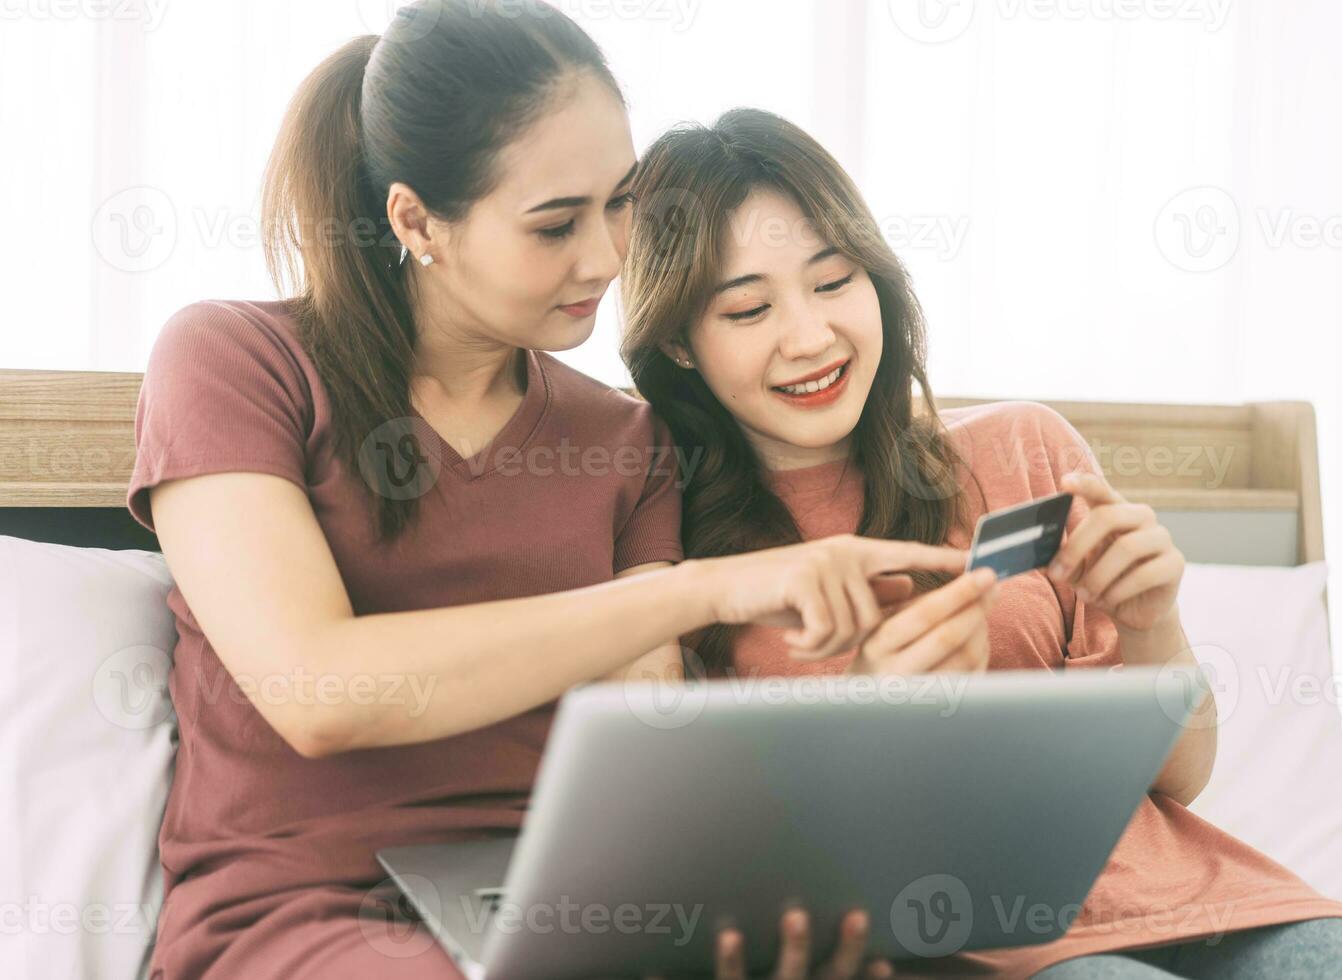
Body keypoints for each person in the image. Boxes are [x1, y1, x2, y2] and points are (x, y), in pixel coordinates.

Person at [127, 7, 975, 978]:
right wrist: (704, 589)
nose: (608, 257)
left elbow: (649, 766)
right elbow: (321, 690)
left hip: (570, 913)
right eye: (555, 223)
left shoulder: (623, 437)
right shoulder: (233, 361)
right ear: (415, 220)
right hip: (304, 914)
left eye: (618, 203)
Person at [619, 107, 1342, 979]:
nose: (811, 336)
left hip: (1210, 906)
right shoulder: (666, 541)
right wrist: (863, 728)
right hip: (960, 942)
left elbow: (1179, 775)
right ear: (679, 341)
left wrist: (1151, 620)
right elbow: (694, 863)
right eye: (748, 309)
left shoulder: (1020, 447)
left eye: (834, 281)